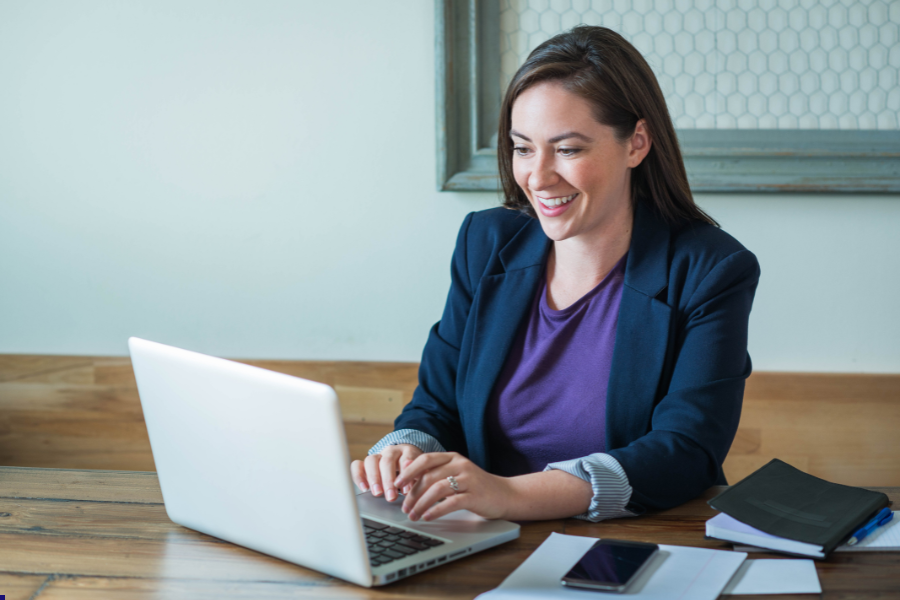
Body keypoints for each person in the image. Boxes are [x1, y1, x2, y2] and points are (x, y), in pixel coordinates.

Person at [350, 26, 759, 523]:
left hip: (635, 546)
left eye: (567, 149)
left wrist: (511, 495)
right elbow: (437, 405)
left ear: (637, 143)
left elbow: (686, 451)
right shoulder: (486, 243)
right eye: (523, 148)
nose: (538, 177)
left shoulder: (710, 270)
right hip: (483, 541)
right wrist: (403, 449)